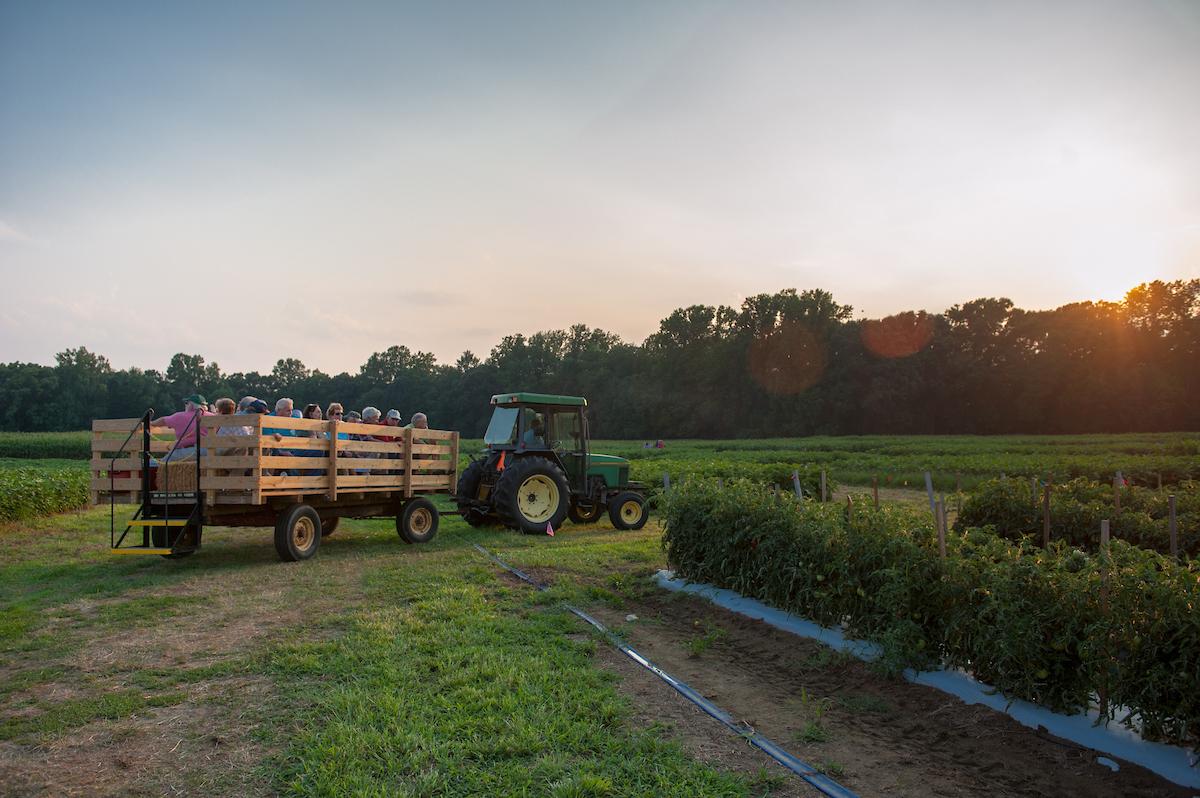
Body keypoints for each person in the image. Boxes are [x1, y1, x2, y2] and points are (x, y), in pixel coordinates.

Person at [151, 394, 212, 462]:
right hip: (208, 450)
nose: (185, 405)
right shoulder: (213, 416)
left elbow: (163, 420)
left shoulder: (180, 416)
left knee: (162, 463)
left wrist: (150, 423)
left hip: (189, 452)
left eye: (186, 403)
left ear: (191, 405)